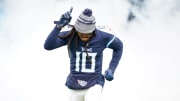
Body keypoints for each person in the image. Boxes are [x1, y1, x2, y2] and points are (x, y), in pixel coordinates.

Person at [44, 7, 123, 101]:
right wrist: (58, 26)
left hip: (94, 82)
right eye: (81, 32)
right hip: (74, 84)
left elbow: (119, 46)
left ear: (93, 30)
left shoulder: (103, 36)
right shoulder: (70, 35)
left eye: (87, 33)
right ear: (76, 29)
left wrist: (111, 68)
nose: (84, 35)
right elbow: (48, 46)